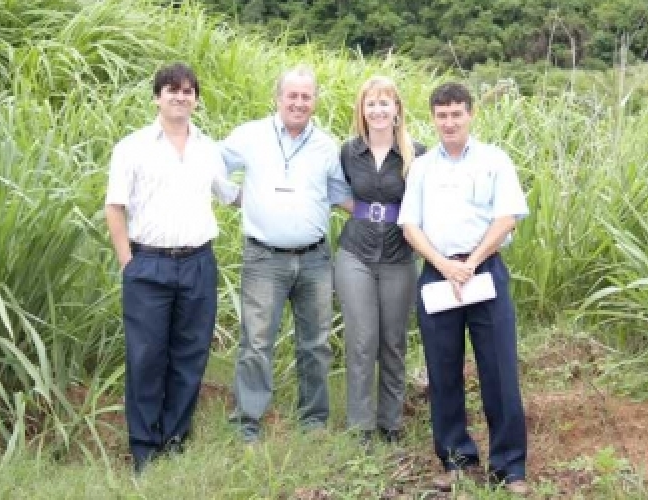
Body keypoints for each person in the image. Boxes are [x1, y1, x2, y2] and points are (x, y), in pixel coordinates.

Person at [104, 62, 239, 474]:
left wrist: (284, 195)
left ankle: (175, 439)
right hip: (149, 265)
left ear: (196, 99)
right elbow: (115, 206)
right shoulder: (133, 147)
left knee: (190, 354)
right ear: (157, 97)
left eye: (187, 91)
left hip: (198, 262)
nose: (180, 97)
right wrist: (129, 261)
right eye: (171, 90)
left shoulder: (208, 149)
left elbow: (232, 196)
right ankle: (144, 448)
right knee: (146, 357)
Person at [397, 82, 530, 495]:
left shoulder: (494, 160)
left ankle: (510, 468)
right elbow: (409, 224)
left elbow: (507, 217)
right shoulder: (421, 167)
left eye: (457, 114)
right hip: (438, 275)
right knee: (443, 371)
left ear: (470, 114)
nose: (449, 122)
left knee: (499, 370)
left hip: (483, 271)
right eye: (442, 115)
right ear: (433, 118)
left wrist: (469, 264)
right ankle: (455, 460)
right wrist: (443, 265)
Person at [221, 65, 352, 443]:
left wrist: (386, 215)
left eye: (305, 96)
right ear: (278, 98)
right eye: (291, 96)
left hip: (315, 259)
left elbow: (340, 194)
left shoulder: (327, 146)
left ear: (314, 101)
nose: (298, 103)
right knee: (256, 341)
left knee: (316, 343)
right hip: (264, 258)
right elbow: (212, 165)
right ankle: (248, 423)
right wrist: (233, 196)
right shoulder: (251, 136)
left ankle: (313, 421)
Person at [333, 76, 425, 445]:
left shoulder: (416, 153)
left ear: (397, 110)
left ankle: (390, 422)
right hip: (355, 252)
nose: (378, 110)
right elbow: (334, 188)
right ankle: (360, 426)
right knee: (361, 339)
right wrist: (362, 210)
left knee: (392, 340)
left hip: (398, 256)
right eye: (371, 103)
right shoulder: (348, 151)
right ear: (362, 110)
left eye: (385, 103)